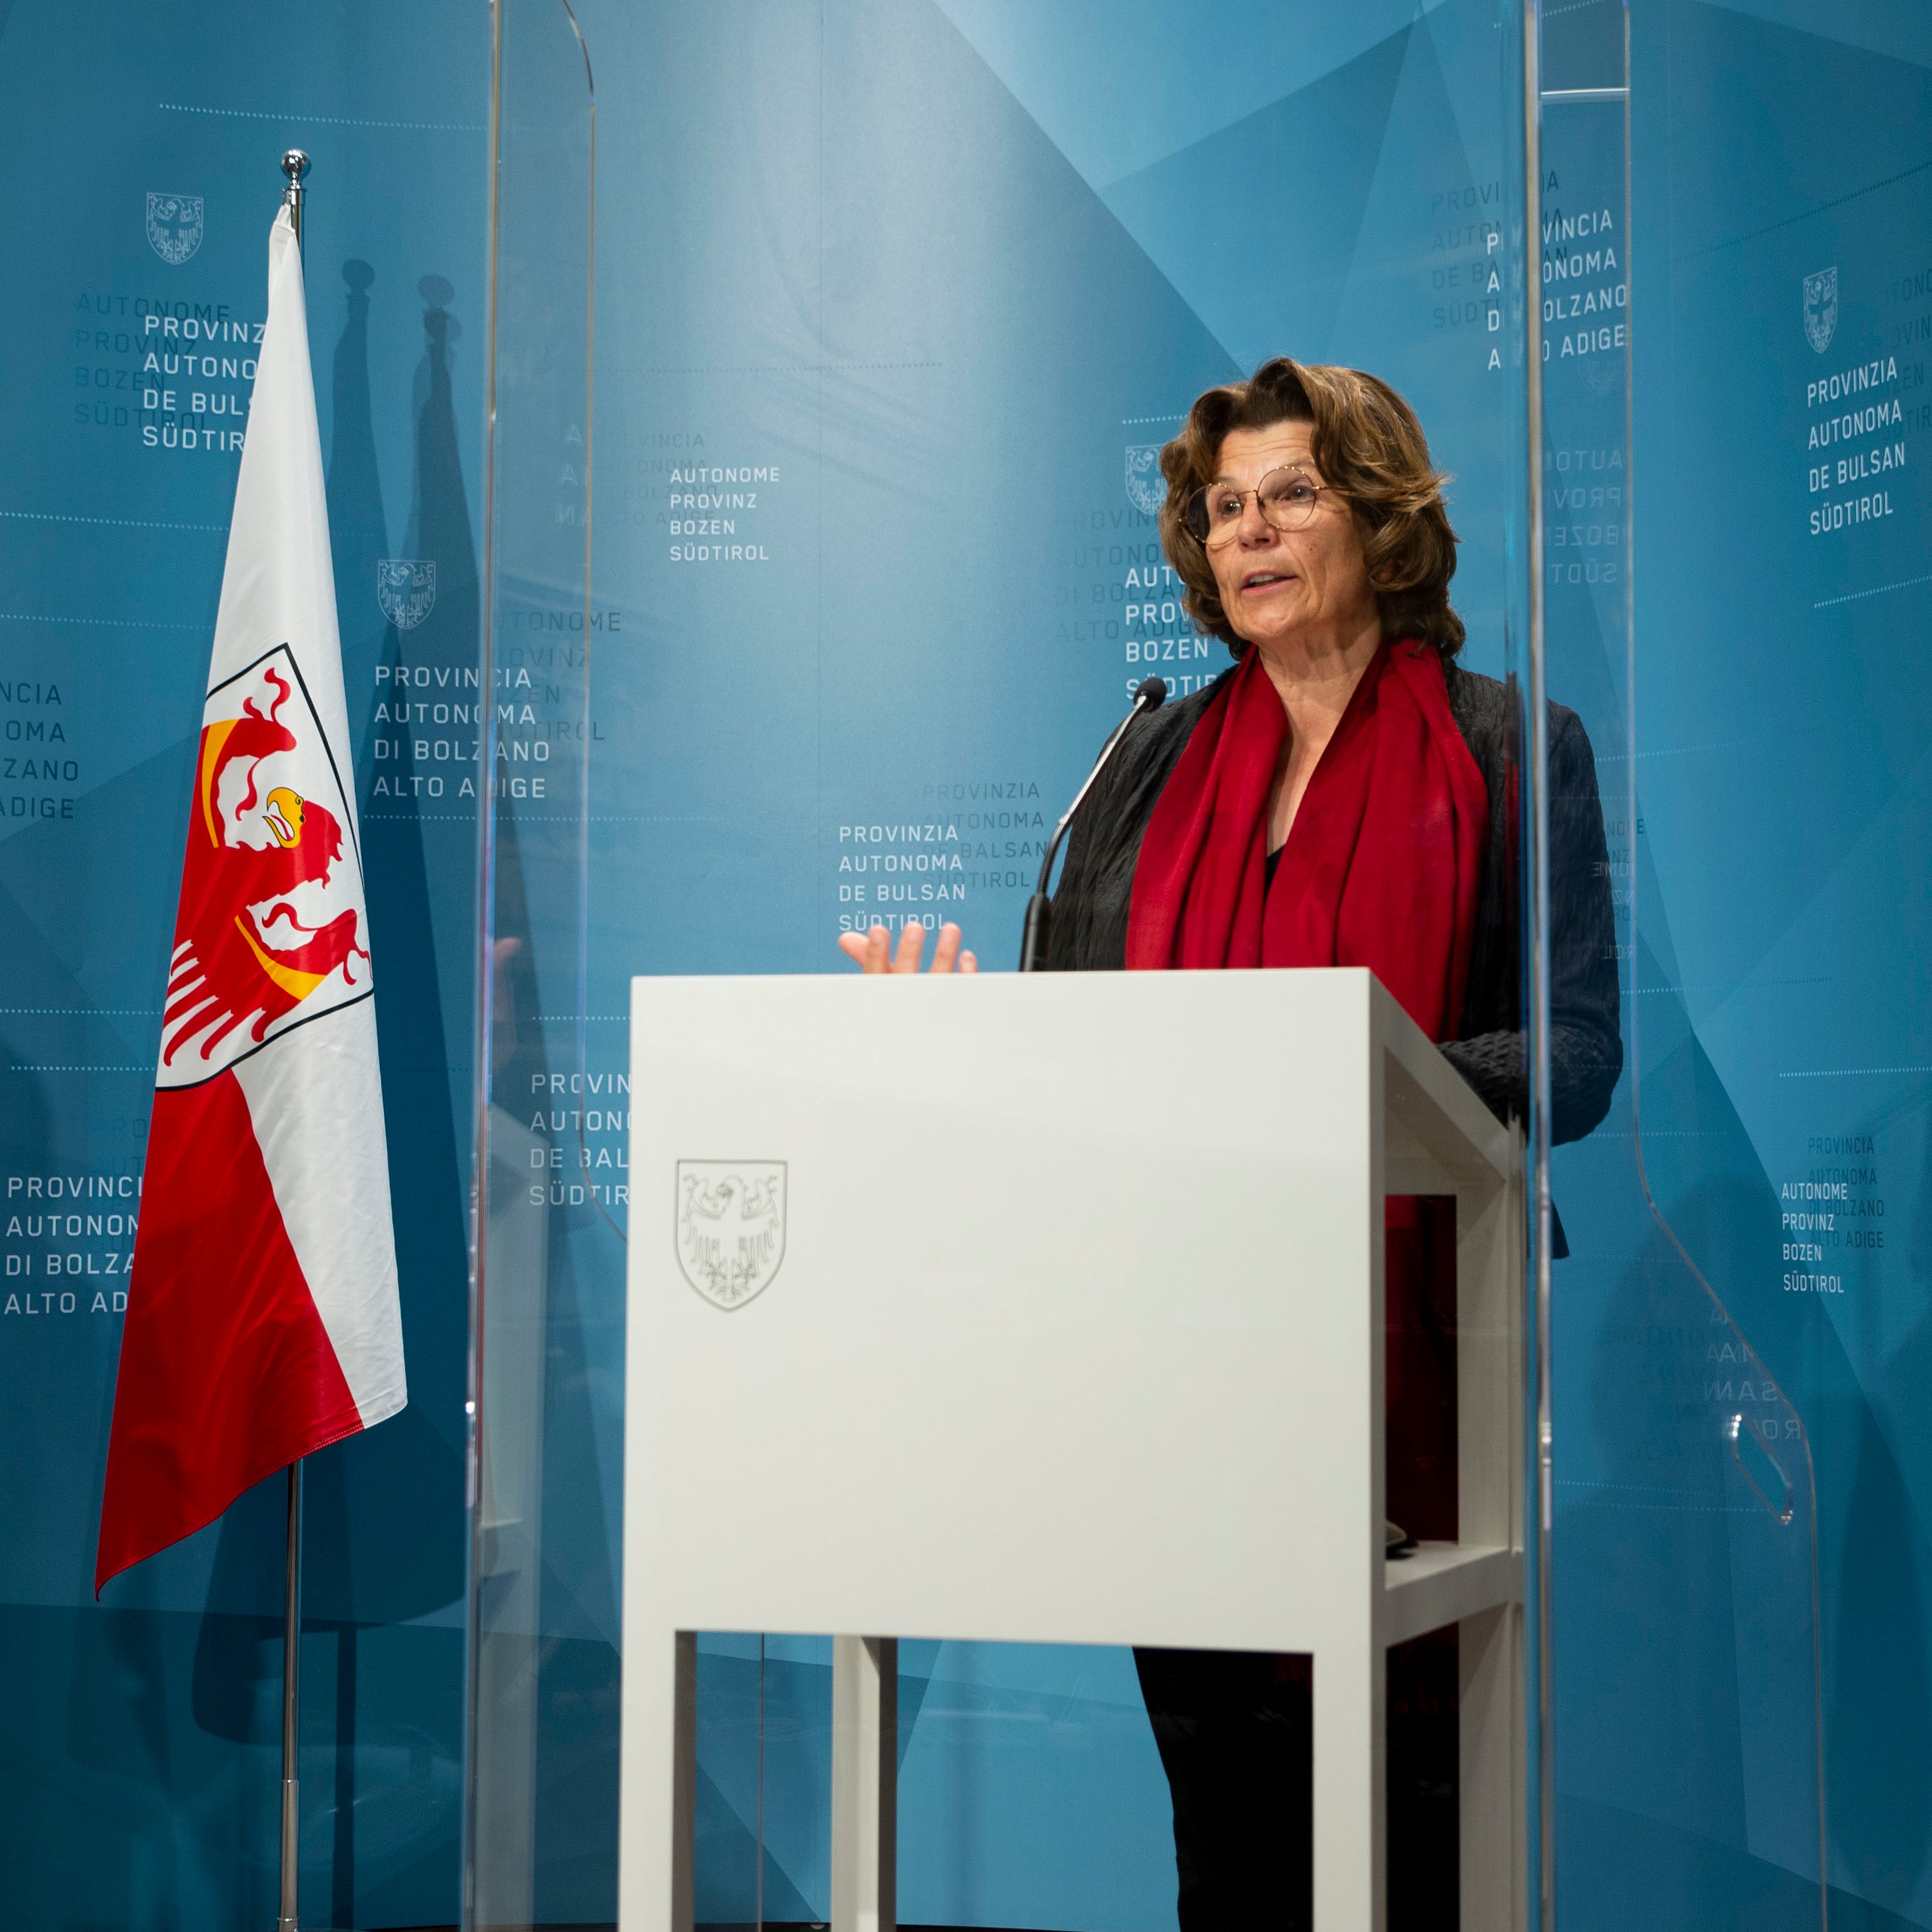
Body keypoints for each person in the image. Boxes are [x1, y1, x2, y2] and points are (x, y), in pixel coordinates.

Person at [841, 357, 1620, 1926]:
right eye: (1224, 509)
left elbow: (1581, 1053)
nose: (1251, 533)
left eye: (1294, 496)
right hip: (1172, 1367)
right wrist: (951, 1032)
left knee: (1413, 1853)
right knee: (1236, 1842)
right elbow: (1080, 1052)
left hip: (1418, 1364)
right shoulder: (1148, 765)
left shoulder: (1507, 746)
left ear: (1382, 515)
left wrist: (1347, 1075)